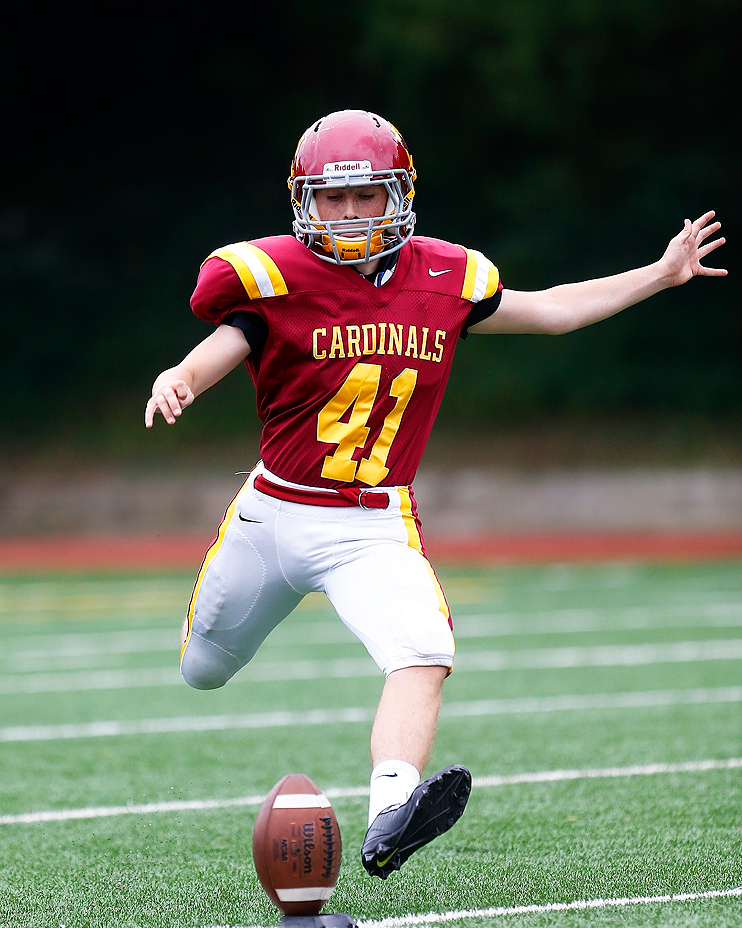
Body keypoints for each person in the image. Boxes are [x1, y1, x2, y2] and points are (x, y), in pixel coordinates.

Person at [144, 109, 726, 880]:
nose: (351, 214)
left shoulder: (446, 277)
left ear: (400, 195)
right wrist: (179, 377)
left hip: (372, 522)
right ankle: (340, 759)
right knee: (204, 670)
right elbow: (223, 345)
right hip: (273, 514)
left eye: (367, 195)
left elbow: (553, 310)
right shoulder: (273, 276)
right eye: (333, 198)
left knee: (423, 651)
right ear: (304, 203)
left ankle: (391, 812)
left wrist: (659, 272)